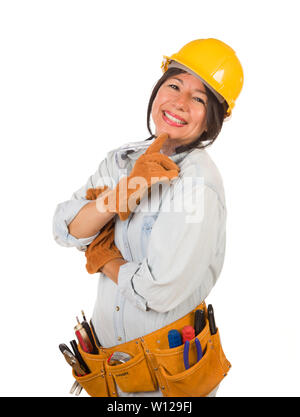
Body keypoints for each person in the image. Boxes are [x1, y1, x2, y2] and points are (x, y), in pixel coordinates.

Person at [53, 38, 243, 397]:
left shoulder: (198, 185)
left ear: (213, 120)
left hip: (166, 381)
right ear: (158, 89)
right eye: (174, 85)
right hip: (109, 369)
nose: (179, 102)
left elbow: (158, 290)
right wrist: (125, 192)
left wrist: (103, 253)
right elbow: (65, 228)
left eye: (199, 98)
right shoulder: (122, 161)